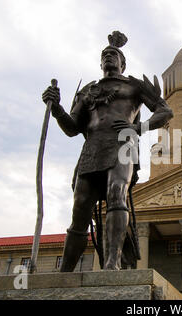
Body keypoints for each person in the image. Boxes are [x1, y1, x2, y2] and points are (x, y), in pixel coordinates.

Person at [42, 31, 173, 271]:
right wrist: (57, 108)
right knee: (80, 206)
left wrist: (137, 127)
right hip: (92, 147)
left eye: (113, 54)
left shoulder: (134, 86)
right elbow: (72, 128)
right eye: (105, 55)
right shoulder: (88, 91)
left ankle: (112, 263)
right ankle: (65, 272)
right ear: (100, 62)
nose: (109, 57)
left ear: (123, 63)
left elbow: (165, 111)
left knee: (116, 193)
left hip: (122, 144)